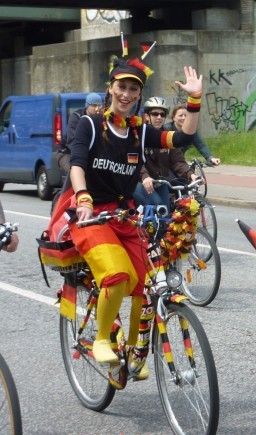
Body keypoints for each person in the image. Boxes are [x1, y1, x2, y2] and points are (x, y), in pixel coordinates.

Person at [69, 55, 203, 371]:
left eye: (133, 89)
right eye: (121, 87)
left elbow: (182, 137)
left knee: (148, 283)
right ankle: (102, 338)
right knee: (117, 276)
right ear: (110, 89)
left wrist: (194, 99)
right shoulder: (91, 124)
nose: (126, 94)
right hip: (93, 216)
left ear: (139, 95)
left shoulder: (140, 131)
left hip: (125, 215)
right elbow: (77, 165)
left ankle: (134, 351)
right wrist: (83, 199)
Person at [134, 96, 197, 212]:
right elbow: (135, 160)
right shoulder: (139, 135)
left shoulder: (166, 136)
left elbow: (177, 161)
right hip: (140, 183)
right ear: (147, 116)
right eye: (155, 114)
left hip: (160, 183)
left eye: (162, 115)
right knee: (158, 207)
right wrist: (145, 176)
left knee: (167, 214)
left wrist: (190, 175)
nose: (159, 117)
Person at [56, 92, 103, 173]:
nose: (97, 109)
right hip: (67, 152)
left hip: (90, 153)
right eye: (94, 105)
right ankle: (70, 185)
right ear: (87, 105)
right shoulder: (76, 117)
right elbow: (72, 141)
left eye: (100, 106)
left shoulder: (101, 118)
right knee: (76, 169)